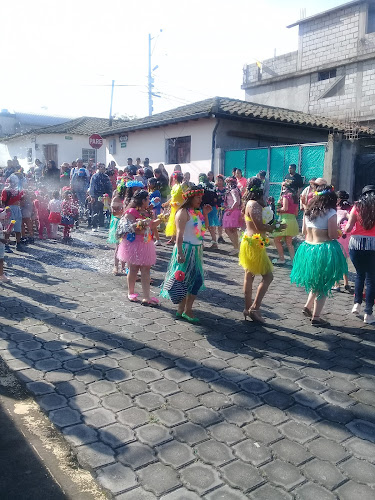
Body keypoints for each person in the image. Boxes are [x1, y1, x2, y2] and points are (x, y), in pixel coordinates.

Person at [291, 184, 347, 326]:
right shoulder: (330, 212)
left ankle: (307, 306)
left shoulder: (308, 211)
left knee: (316, 281)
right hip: (323, 250)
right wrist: (339, 231)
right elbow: (332, 235)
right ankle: (316, 317)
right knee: (323, 284)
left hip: (307, 248)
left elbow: (303, 231)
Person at [160, 186, 211, 323]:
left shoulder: (196, 212)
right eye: (198, 197)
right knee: (189, 279)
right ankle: (186, 310)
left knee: (190, 280)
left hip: (196, 250)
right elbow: (179, 235)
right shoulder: (182, 212)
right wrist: (180, 253)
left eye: (201, 197)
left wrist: (205, 214)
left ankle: (182, 310)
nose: (201, 200)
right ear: (190, 197)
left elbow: (204, 229)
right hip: (186, 250)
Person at [240, 177, 282, 323]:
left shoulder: (254, 204)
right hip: (254, 243)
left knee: (249, 275)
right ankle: (254, 308)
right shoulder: (253, 205)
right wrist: (276, 227)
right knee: (267, 276)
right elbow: (260, 227)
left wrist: (275, 224)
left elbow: (265, 222)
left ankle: (248, 308)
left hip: (254, 242)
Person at [117, 190, 160, 306]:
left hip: (146, 243)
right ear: (142, 200)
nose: (149, 201)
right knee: (134, 269)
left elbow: (151, 225)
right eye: (147, 199)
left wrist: (161, 219)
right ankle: (130, 292)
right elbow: (128, 227)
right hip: (134, 243)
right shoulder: (131, 212)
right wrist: (140, 224)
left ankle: (146, 297)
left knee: (146, 269)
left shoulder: (148, 212)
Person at [344, 185, 375, 324]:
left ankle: (356, 304)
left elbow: (349, 228)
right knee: (371, 279)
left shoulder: (357, 207)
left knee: (359, 275)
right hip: (373, 245)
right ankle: (368, 314)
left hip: (356, 244)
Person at [273, 181, 299, 265]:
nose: (282, 188)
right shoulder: (295, 197)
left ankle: (281, 259)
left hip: (285, 220)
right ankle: (293, 260)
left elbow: (284, 208)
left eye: (283, 186)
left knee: (276, 239)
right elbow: (296, 213)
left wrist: (277, 209)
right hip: (293, 220)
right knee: (289, 242)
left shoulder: (285, 196)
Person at [332, 191, 352, 293]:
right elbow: (352, 221)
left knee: (336, 262)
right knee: (344, 261)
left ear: (338, 199)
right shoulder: (348, 210)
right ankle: (346, 283)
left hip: (337, 237)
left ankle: (336, 284)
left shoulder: (334, 210)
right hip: (346, 238)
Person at [1, 174, 25, 252]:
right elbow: (3, 202)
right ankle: (6, 245)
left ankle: (18, 243)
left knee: (17, 227)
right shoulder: (6, 190)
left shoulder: (18, 190)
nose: (13, 183)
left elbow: (21, 200)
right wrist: (5, 211)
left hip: (16, 209)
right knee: (8, 228)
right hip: (9, 209)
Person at [108, 179, 126, 275]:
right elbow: (114, 212)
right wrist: (124, 211)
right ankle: (116, 266)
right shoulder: (116, 199)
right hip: (118, 223)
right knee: (118, 246)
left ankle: (123, 267)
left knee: (125, 246)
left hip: (125, 222)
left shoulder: (127, 199)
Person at [88, 163, 112, 231]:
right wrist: (92, 196)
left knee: (102, 210)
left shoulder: (106, 176)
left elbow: (109, 186)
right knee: (95, 210)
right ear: (98, 168)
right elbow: (92, 186)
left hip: (104, 195)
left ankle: (101, 225)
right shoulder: (94, 176)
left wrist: (109, 195)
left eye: (104, 168)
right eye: (101, 167)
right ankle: (94, 226)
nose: (103, 169)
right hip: (96, 195)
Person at [198, 173, 219, 250]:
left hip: (203, 207)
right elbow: (216, 197)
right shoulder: (212, 185)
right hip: (212, 207)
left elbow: (199, 197)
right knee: (211, 226)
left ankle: (201, 243)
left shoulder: (200, 185)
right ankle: (214, 242)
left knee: (201, 225)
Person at [223, 177, 242, 255]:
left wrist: (230, 209)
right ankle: (236, 247)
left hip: (232, 212)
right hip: (235, 211)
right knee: (233, 230)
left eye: (228, 183)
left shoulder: (233, 191)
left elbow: (236, 201)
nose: (227, 185)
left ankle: (236, 247)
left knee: (228, 230)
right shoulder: (236, 190)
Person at [164, 172, 184, 245]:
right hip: (174, 207)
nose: (173, 179)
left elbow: (184, 196)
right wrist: (167, 203)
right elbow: (173, 197)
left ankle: (178, 239)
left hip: (179, 207)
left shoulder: (181, 186)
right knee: (173, 223)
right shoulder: (174, 186)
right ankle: (173, 239)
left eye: (174, 178)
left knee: (178, 223)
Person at [148, 178, 161, 246]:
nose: (148, 184)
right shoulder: (151, 190)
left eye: (149, 183)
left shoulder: (156, 192)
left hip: (154, 210)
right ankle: (157, 239)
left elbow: (157, 201)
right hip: (150, 209)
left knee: (153, 225)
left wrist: (151, 204)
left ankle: (156, 239)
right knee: (153, 226)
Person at [0, 207, 12, 282]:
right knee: (0, 260)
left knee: (1, 260)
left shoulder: (0, 222)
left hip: (1, 244)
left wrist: (5, 231)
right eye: (3, 213)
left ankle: (1, 274)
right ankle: (1, 275)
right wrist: (3, 240)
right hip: (0, 243)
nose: (5, 215)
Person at [215, 174, 226, 244]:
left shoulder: (226, 189)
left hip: (224, 208)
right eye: (218, 180)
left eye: (220, 180)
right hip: (217, 208)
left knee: (222, 223)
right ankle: (219, 236)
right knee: (218, 222)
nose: (219, 182)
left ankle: (221, 235)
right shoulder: (215, 189)